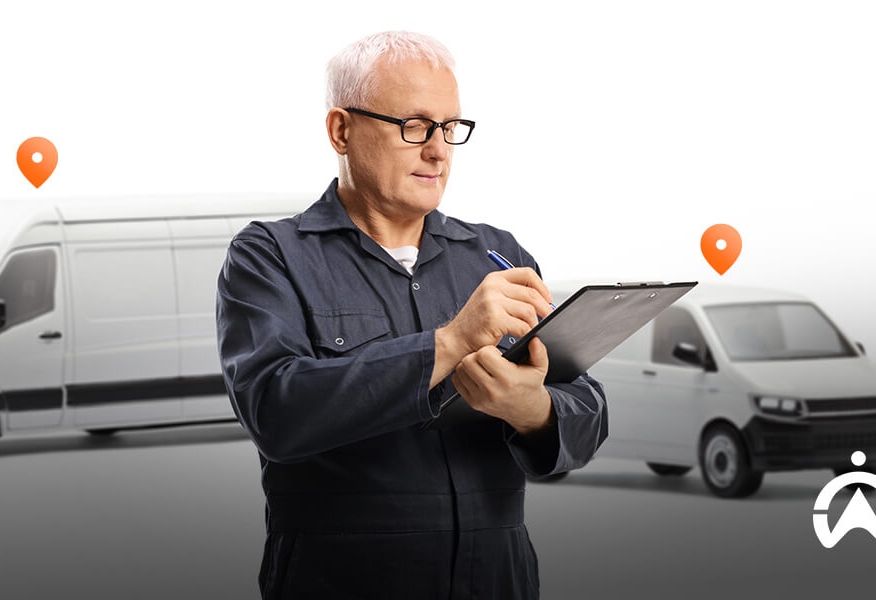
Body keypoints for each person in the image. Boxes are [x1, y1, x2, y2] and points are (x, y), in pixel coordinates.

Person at [215, 30, 608, 600]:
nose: (439, 151)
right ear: (341, 130)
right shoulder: (270, 255)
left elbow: (588, 409)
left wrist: (534, 410)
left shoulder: (497, 255)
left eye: (450, 128)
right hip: (344, 581)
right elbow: (275, 409)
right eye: (416, 126)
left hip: (498, 578)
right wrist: (448, 344)